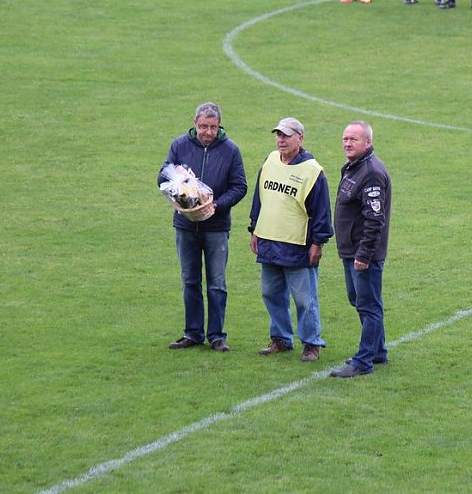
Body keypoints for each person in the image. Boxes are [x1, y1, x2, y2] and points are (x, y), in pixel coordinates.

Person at [158, 102, 248, 351]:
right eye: (203, 126)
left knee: (217, 283)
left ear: (219, 126)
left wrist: (216, 205)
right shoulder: (179, 145)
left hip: (216, 226)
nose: (208, 132)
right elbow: (162, 177)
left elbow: (240, 186)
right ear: (194, 123)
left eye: (213, 127)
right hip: (186, 225)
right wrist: (178, 186)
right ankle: (193, 333)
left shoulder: (230, 150)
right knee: (190, 281)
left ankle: (217, 336)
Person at [249, 118, 334, 362]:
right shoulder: (270, 160)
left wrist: (318, 243)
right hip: (268, 242)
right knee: (271, 293)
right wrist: (254, 229)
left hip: (298, 246)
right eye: (278, 135)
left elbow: (321, 212)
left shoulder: (312, 171)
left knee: (305, 299)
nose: (281, 140)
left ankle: (311, 343)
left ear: (300, 138)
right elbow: (260, 197)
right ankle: (281, 339)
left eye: (286, 135)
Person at [330, 121, 392, 379]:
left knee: (368, 305)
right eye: (345, 139)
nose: (347, 143)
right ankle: (377, 352)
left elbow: (374, 219)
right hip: (351, 250)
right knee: (360, 300)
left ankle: (364, 360)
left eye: (354, 139)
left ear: (368, 143)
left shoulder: (371, 172)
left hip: (361, 254)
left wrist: (363, 256)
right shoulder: (354, 167)